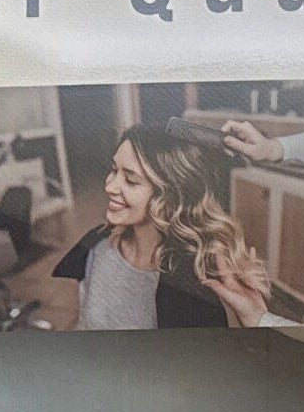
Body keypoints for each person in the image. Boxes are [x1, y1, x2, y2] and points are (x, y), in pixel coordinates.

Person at [36, 127, 284, 330]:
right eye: (114, 170)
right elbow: (83, 325)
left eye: (131, 180)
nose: (110, 186)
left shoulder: (191, 287)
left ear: (173, 197)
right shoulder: (97, 247)